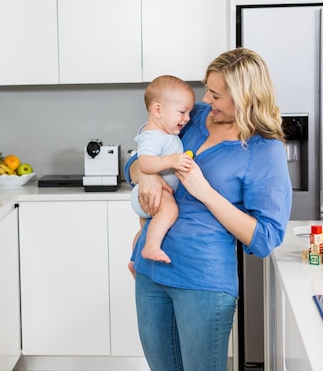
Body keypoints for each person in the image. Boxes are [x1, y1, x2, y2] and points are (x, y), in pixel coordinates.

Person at [125, 48, 292, 371]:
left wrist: (206, 193)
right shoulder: (195, 117)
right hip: (150, 268)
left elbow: (266, 238)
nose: (206, 99)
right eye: (207, 89)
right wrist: (143, 175)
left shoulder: (264, 150)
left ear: (244, 97)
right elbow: (138, 158)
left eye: (215, 94)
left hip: (202, 282)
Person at [130, 75, 196, 263]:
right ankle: (152, 247)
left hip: (157, 191)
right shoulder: (153, 136)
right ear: (158, 110)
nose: (187, 118)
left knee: (145, 230)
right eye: (182, 112)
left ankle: (135, 260)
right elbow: (145, 163)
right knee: (170, 211)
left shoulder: (164, 133)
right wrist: (171, 160)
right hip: (156, 192)